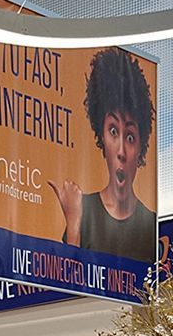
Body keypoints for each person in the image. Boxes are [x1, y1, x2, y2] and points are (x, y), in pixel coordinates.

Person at [49, 47, 156, 263]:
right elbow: (69, 282)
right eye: (113, 131)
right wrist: (73, 221)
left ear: (141, 146)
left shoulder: (151, 226)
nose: (121, 152)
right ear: (101, 136)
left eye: (130, 137)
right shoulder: (81, 209)